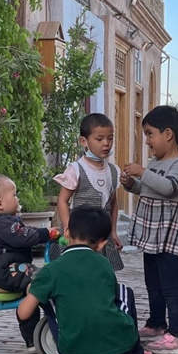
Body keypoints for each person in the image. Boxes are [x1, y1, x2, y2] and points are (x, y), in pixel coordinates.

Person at [17, 206, 155, 354]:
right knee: (124, 293)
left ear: (67, 232)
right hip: (121, 352)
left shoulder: (51, 270)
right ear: (102, 243)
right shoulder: (104, 264)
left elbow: (23, 313)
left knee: (49, 299)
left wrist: (33, 290)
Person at [121, 105, 178, 354]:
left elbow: (167, 188)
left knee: (170, 285)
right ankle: (156, 323)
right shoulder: (154, 163)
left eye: (150, 134)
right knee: (152, 281)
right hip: (152, 235)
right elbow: (148, 189)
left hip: (171, 235)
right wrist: (132, 184)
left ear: (168, 134)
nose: (148, 142)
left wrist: (142, 172)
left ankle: (177, 335)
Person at [0, 173, 57, 349]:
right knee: (39, 281)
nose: (17, 198)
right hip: (2, 272)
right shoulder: (2, 223)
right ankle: (45, 328)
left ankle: (33, 337)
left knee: (34, 285)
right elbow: (23, 236)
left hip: (1, 271)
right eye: (14, 195)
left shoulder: (2, 222)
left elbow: (23, 233)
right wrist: (46, 233)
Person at [53, 113, 124, 271]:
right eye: (99, 139)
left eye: (110, 138)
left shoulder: (113, 171)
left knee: (101, 272)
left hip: (102, 237)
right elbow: (62, 201)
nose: (106, 143)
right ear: (84, 141)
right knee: (78, 272)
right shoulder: (76, 169)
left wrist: (113, 231)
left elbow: (113, 204)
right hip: (80, 236)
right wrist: (68, 229)